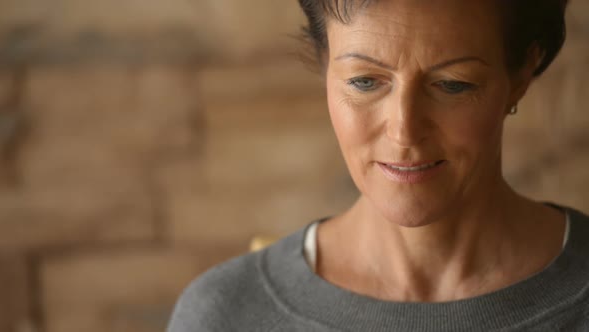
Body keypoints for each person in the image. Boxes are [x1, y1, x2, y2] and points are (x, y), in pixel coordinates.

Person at [168, 0, 589, 331]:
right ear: (323, 66)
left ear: (520, 75)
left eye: (452, 84)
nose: (404, 131)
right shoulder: (227, 314)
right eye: (365, 81)